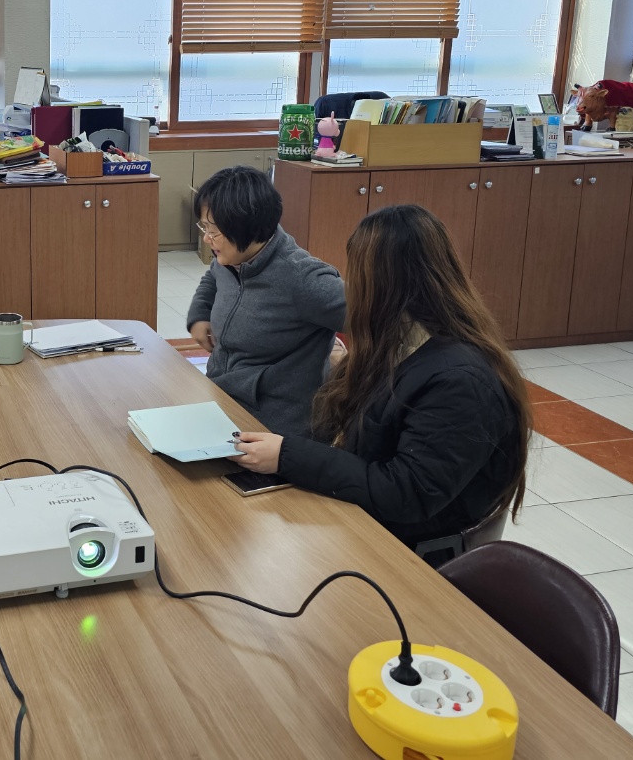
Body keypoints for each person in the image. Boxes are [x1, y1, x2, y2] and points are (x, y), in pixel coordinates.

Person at [228, 204, 532, 556]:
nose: (350, 288)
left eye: (357, 275)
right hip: (366, 517)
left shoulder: (461, 381)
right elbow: (363, 438)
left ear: (385, 283)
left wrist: (287, 456)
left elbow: (404, 493)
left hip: (406, 551)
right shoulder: (400, 342)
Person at [185, 166, 345, 437]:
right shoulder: (230, 256)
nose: (206, 237)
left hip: (275, 428)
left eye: (214, 230)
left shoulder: (304, 279)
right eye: (205, 226)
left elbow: (380, 319)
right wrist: (200, 313)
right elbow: (213, 276)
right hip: (223, 400)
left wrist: (349, 378)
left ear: (245, 227)